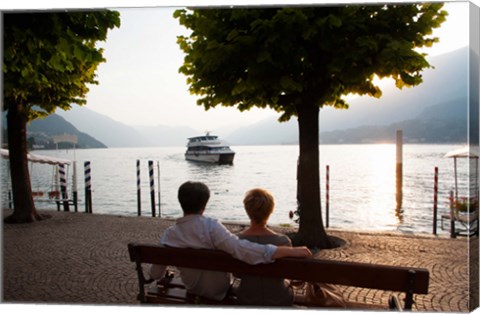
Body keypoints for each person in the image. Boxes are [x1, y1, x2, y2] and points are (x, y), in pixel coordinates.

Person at [149, 181, 312, 301]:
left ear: (181, 202)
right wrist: (289, 251)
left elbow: (155, 274)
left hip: (192, 289)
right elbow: (242, 250)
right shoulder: (211, 227)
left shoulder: (169, 235)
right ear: (204, 204)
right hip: (220, 292)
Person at [236, 188, 294, 306]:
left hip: (247, 298)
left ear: (247, 210)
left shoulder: (236, 241)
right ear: (270, 210)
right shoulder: (283, 242)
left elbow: (236, 274)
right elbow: (289, 273)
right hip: (279, 299)